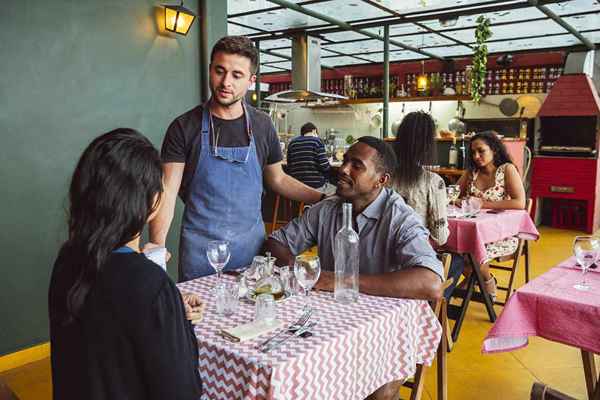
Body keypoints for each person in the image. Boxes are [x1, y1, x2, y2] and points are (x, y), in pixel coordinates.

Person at [266, 136, 442, 400]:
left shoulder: (400, 217)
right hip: (328, 327)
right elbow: (276, 243)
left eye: (356, 165)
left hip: (386, 337)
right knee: (286, 370)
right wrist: (300, 270)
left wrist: (341, 281)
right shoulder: (327, 209)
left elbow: (430, 283)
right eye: (345, 160)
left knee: (375, 393)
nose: (343, 169)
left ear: (381, 180)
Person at [150, 35, 322, 281]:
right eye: (219, 71)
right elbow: (166, 192)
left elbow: (279, 180)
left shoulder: (262, 125)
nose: (225, 82)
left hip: (253, 252)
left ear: (251, 80)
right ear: (210, 70)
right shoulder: (183, 127)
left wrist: (322, 198)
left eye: (236, 75)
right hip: (201, 253)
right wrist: (156, 248)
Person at [48, 129, 203, 400]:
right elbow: (184, 391)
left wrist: (171, 309)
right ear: (153, 203)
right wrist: (177, 322)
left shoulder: (67, 260)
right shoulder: (149, 283)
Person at [391, 111, 463, 298]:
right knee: (458, 261)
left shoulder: (383, 176)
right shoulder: (433, 182)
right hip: (410, 264)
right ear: (428, 145)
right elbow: (440, 237)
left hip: (378, 258)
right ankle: (430, 309)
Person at [456, 130, 526, 300]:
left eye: (481, 151)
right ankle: (478, 279)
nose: (476, 156)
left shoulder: (507, 170)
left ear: (494, 149)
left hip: (502, 235)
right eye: (473, 152)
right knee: (449, 251)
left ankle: (486, 282)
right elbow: (454, 194)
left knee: (471, 253)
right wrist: (457, 201)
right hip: (473, 232)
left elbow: (519, 203)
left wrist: (482, 204)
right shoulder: (471, 173)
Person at [286, 122, 335, 195]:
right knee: (336, 189)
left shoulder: (292, 143)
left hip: (296, 185)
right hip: (315, 186)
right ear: (314, 131)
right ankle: (315, 205)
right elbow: (325, 166)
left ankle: (305, 205)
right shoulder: (317, 141)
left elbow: (289, 165)